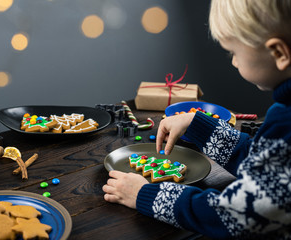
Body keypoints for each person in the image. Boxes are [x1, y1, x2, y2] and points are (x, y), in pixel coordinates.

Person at [102, 0, 291, 239]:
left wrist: (146, 195)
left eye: (233, 52)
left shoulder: (285, 121)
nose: (233, 61)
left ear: (279, 53)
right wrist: (200, 126)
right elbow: (268, 165)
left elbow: (235, 215)